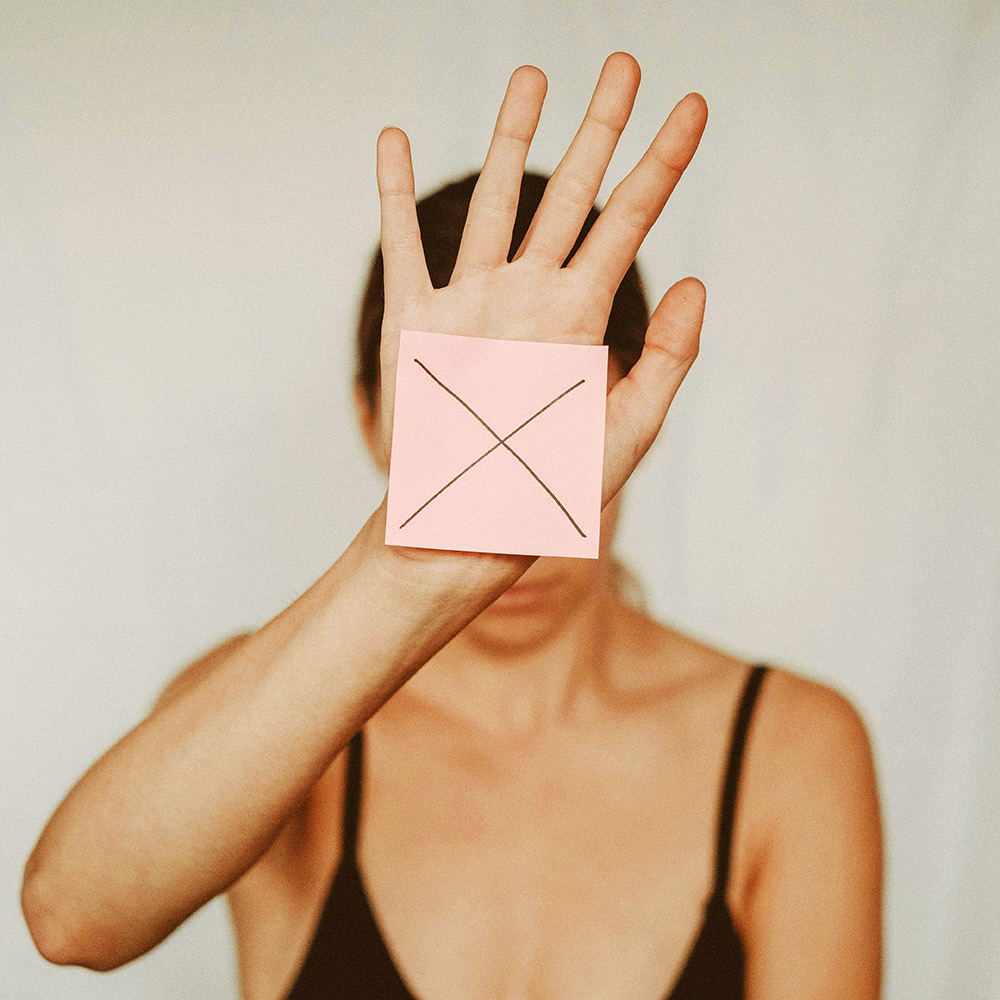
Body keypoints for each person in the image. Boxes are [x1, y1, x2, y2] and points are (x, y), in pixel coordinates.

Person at [21, 52, 883, 1000]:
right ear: (370, 420)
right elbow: (71, 916)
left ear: (636, 417)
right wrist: (406, 566)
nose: (516, 521)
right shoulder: (270, 716)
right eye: (457, 425)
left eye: (554, 422)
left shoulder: (789, 747)